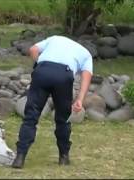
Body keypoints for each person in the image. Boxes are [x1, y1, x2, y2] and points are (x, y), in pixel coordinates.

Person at [12, 35, 93, 168]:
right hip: (63, 75)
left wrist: (39, 67)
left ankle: (20, 157)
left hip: (42, 70)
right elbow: (86, 77)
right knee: (63, 119)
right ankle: (63, 157)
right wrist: (80, 99)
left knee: (30, 117)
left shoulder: (55, 38)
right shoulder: (86, 55)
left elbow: (33, 50)